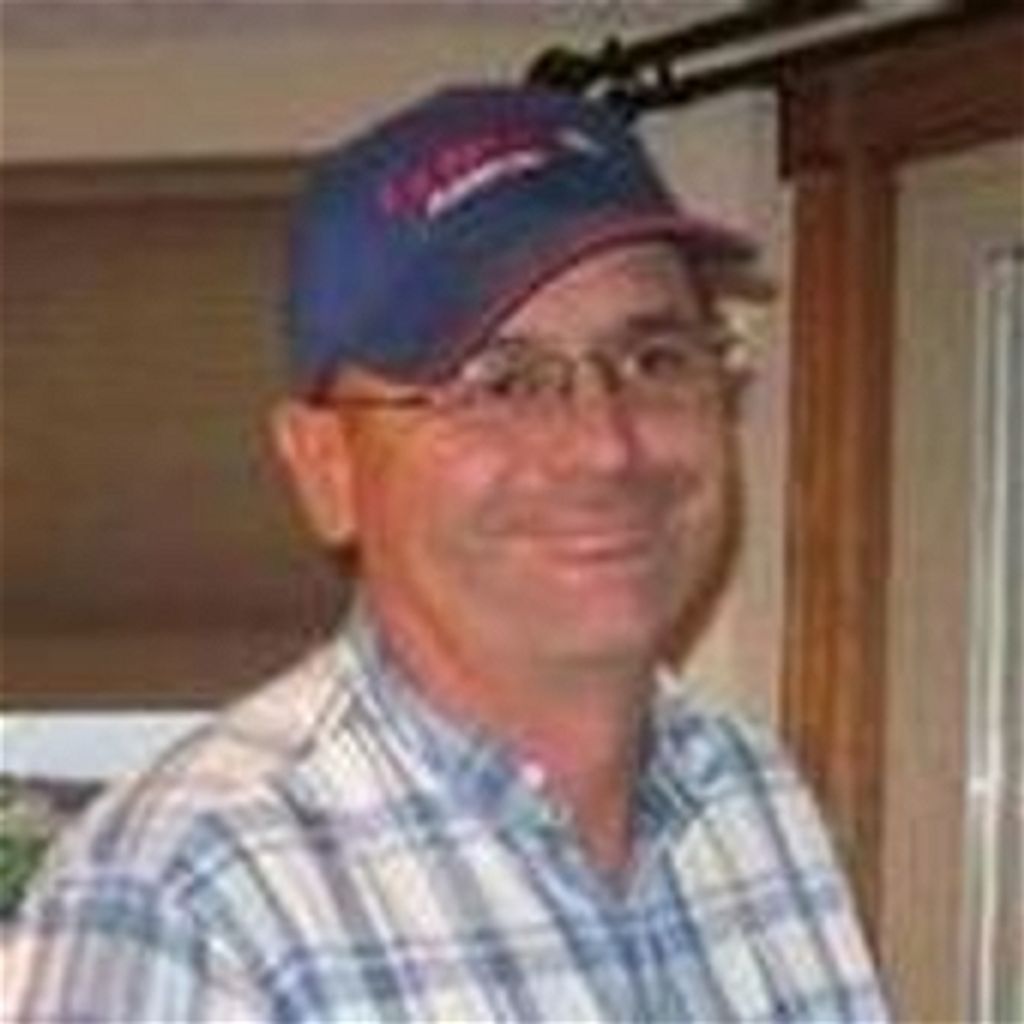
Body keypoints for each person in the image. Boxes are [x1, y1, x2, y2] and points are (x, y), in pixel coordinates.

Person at [5, 83, 888, 1022]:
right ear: (327, 465)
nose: (606, 447)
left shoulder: (752, 798)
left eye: (655, 359)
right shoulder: (188, 900)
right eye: (503, 382)